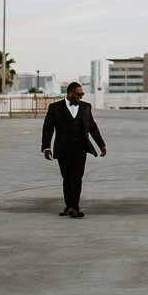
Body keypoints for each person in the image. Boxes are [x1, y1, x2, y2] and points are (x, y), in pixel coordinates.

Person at [42, 82, 106, 218]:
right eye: (79, 94)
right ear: (70, 93)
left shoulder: (86, 107)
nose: (81, 97)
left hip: (80, 149)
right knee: (66, 179)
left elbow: (92, 127)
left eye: (82, 94)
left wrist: (101, 145)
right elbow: (48, 129)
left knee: (77, 178)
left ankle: (75, 207)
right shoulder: (55, 108)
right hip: (63, 149)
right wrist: (46, 147)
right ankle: (68, 206)